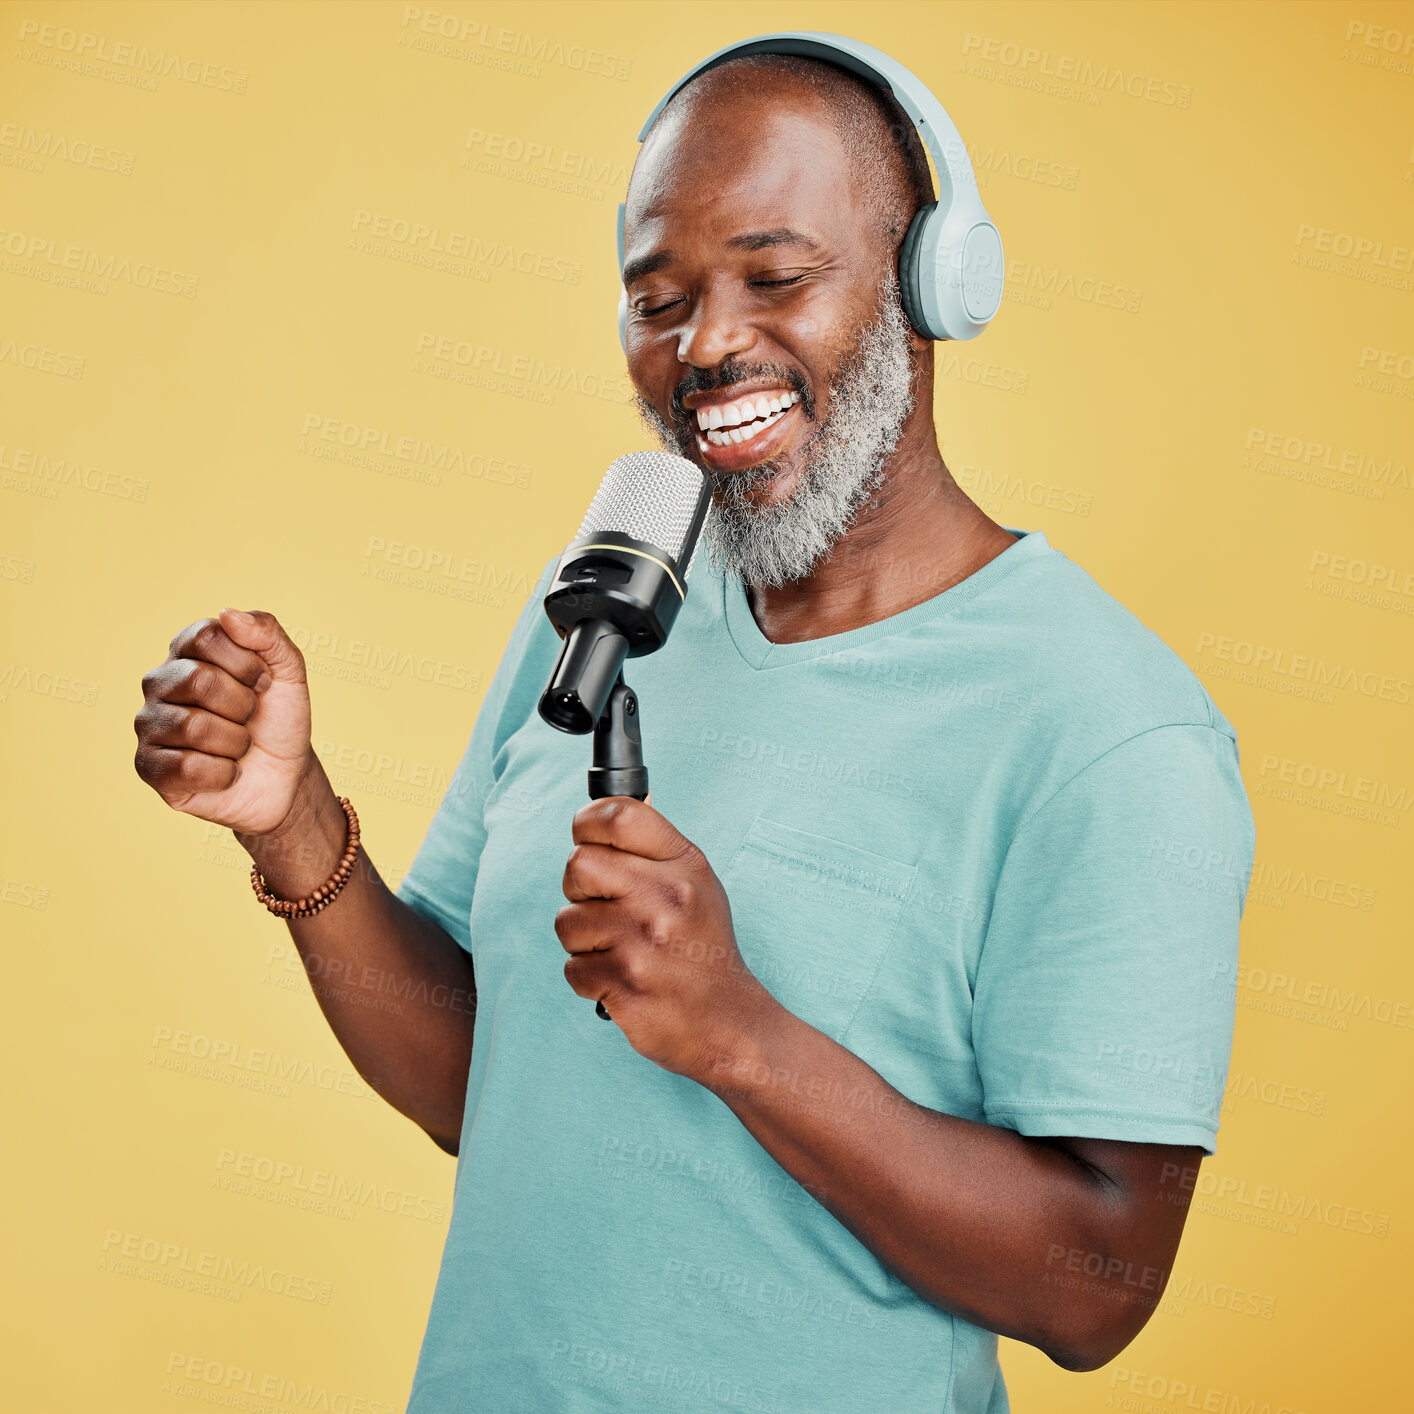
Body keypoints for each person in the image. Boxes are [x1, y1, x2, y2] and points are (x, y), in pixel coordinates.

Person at [133, 44, 1256, 1414]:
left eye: (774, 278)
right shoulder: (606, 611)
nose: (706, 344)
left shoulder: (1107, 723)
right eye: (657, 298)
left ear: (926, 282)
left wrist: (736, 1031)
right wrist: (292, 818)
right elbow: (474, 1080)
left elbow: (1097, 1286)